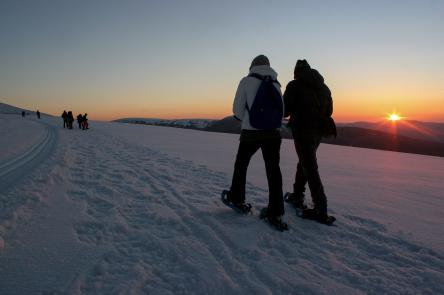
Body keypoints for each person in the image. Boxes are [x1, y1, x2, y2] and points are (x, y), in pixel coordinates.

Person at [224, 55, 286, 229]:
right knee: (274, 171)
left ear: (252, 66)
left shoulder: (246, 81)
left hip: (251, 133)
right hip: (274, 134)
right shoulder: (276, 83)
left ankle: (236, 198)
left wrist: (251, 121)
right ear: (268, 66)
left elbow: (237, 110)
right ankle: (276, 211)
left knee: (241, 165)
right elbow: (282, 111)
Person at [283, 59, 334, 223]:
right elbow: (330, 110)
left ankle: (321, 208)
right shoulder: (324, 87)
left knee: (310, 167)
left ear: (297, 71)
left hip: (302, 130)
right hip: (317, 132)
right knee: (305, 162)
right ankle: (298, 195)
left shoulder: (294, 85)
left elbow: (284, 110)